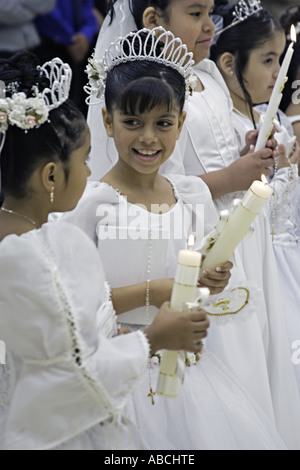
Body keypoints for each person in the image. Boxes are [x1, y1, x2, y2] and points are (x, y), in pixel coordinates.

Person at [60, 26, 290, 450]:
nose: (149, 138)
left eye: (163, 123)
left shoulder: (191, 195)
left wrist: (212, 279)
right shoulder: (93, 204)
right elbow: (69, 305)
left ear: (182, 123)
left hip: (187, 377)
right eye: (132, 122)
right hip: (114, 371)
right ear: (108, 121)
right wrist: (156, 292)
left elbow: (202, 279)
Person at [0, 50, 211, 450]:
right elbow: (66, 376)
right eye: (84, 160)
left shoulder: (49, 241)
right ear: (50, 175)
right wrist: (149, 339)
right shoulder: (23, 256)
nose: (89, 172)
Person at [34, 0, 100, 115]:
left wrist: (86, 34)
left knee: (76, 103)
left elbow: (88, 10)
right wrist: (70, 39)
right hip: (49, 45)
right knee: (51, 105)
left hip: (80, 47)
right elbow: (45, 10)